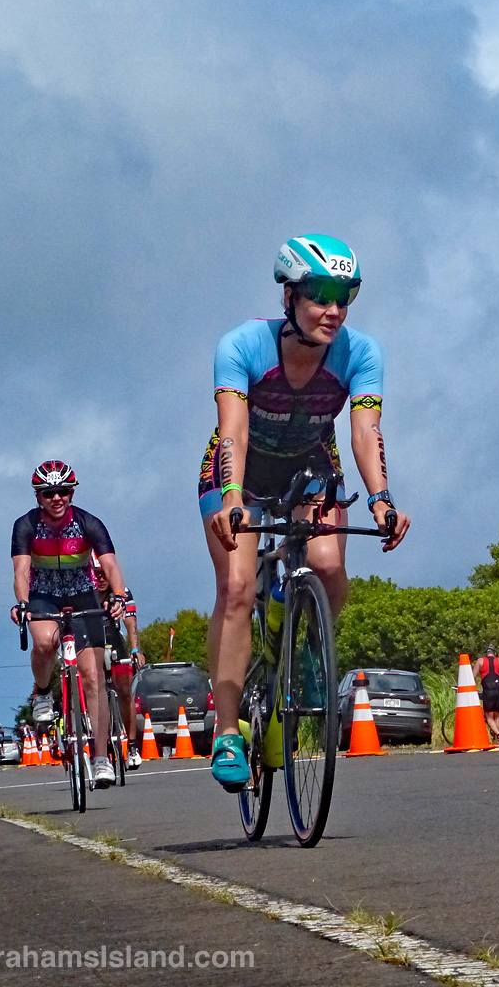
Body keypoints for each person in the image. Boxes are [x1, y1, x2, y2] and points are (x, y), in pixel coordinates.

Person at [199, 234, 410, 791]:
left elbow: (366, 432)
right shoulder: (243, 345)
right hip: (240, 470)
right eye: (319, 295)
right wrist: (233, 499)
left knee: (328, 564)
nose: (333, 310)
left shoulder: (361, 354)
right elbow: (233, 431)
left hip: (311, 465)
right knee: (238, 587)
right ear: (288, 297)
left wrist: (381, 498)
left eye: (345, 297)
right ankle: (226, 731)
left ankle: (310, 653)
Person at [10, 460, 128, 788]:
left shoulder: (90, 523)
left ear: (72, 492)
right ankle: (44, 693)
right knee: (45, 643)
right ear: (39, 497)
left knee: (93, 677)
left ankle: (101, 756)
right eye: (49, 493)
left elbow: (110, 564)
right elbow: (21, 573)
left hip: (83, 595)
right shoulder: (26, 526)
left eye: (63, 491)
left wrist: (117, 596)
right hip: (43, 595)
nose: (57, 498)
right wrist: (22, 603)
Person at [91, 553, 146, 770]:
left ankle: (132, 746)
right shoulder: (85, 592)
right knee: (92, 686)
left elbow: (130, 622)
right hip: (92, 641)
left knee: (124, 689)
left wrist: (135, 649)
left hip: (114, 640)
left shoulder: (121, 590)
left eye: (105, 573)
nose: (102, 578)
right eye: (97, 574)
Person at [472, 644, 499, 741]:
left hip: (488, 691)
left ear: (486, 653)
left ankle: (498, 734)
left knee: (489, 716)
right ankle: (496, 739)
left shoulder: (480, 661)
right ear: (495, 653)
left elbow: (472, 677)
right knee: (497, 716)